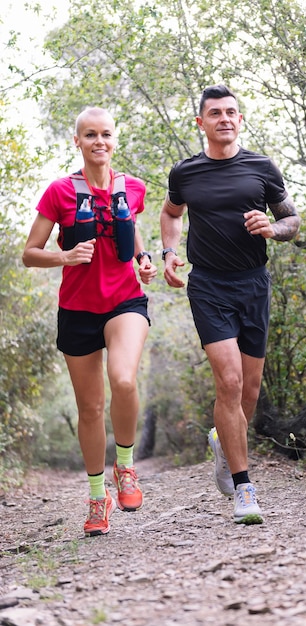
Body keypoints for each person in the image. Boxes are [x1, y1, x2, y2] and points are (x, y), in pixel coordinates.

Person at [160, 85, 301, 525]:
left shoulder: (261, 168)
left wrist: (273, 229)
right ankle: (244, 488)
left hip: (253, 284)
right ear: (201, 122)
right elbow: (170, 214)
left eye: (232, 112)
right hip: (208, 286)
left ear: (240, 120)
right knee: (230, 380)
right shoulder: (186, 173)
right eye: (215, 113)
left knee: (250, 392)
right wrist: (169, 252)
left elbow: (292, 219)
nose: (225, 118)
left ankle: (224, 441)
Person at [23, 106, 157, 537]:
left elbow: (129, 225)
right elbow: (30, 252)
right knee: (90, 408)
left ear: (115, 140)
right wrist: (64, 255)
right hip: (78, 309)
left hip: (125, 302)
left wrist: (144, 258)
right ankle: (98, 498)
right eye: (90, 135)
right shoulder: (59, 191)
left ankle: (126, 467)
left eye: (106, 135)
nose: (99, 142)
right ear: (77, 141)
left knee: (123, 380)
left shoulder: (132, 187)